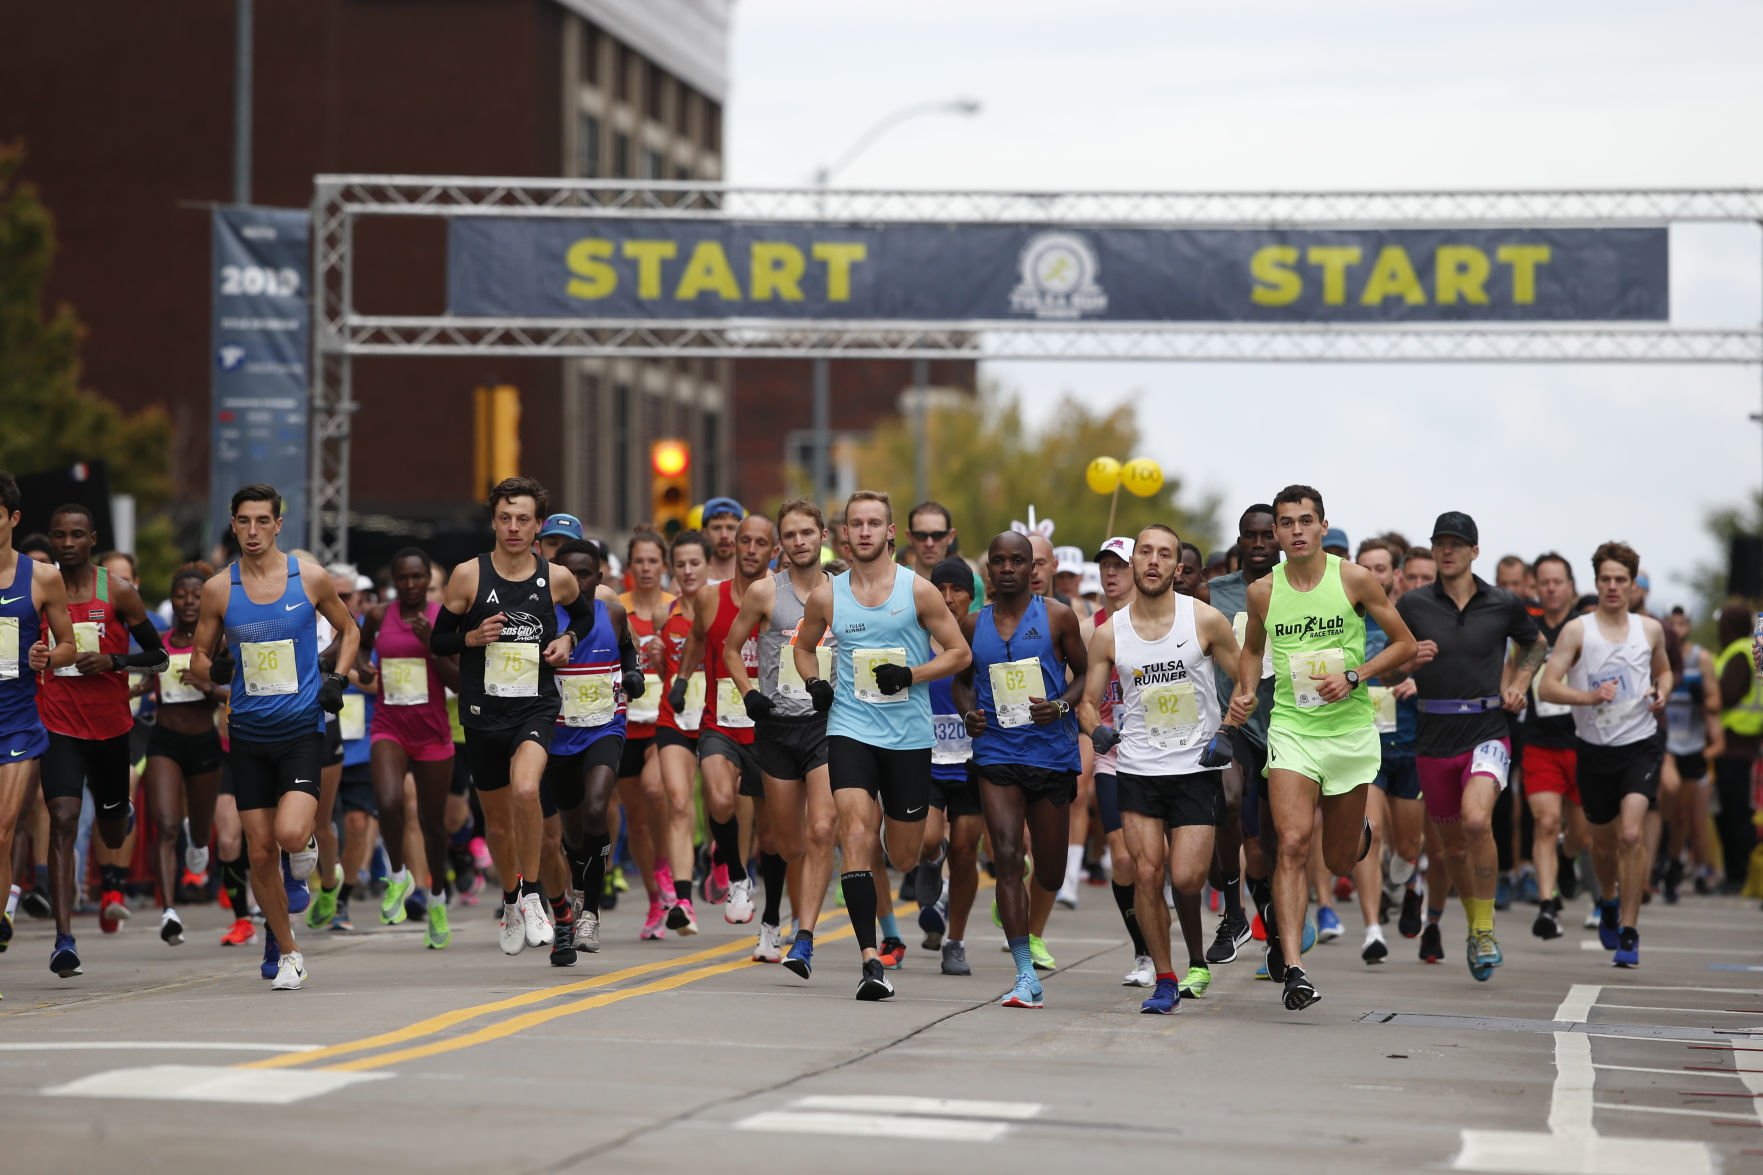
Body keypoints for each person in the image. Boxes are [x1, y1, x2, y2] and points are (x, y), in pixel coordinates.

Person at [1230, 485, 1415, 1011]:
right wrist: (1245, 692)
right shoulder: (1263, 591)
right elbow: (1251, 649)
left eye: (1305, 520)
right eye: (1286, 522)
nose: (1295, 530)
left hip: (1350, 733)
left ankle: (1355, 834)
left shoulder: (1353, 578)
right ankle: (1294, 969)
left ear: (1321, 525)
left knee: (1336, 861)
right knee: (1289, 842)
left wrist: (1356, 675)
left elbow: (1403, 643)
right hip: (1292, 728)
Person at [792, 490, 972, 1000]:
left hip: (909, 737)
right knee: (854, 831)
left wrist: (911, 674)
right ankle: (870, 959)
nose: (865, 531)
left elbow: (958, 653)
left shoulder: (918, 592)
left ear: (891, 532)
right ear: (844, 534)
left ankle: (921, 868)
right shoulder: (828, 596)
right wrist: (815, 683)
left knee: (907, 852)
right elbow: (805, 649)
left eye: (875, 523)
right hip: (850, 728)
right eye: (856, 524)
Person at [189, 484, 358, 990]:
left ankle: (304, 844)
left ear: (279, 524)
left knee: (286, 835)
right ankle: (288, 951)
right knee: (259, 851)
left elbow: (349, 631)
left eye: (263, 521)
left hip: (301, 727)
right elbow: (199, 656)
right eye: (244, 521)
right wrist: (214, 667)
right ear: (234, 524)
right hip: (247, 732)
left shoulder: (307, 577)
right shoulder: (220, 588)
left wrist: (338, 681)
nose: (254, 531)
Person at [426, 476, 596, 957]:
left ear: (538, 525)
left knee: (528, 793)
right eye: (505, 518)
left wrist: (568, 641)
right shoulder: (468, 576)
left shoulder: (555, 577)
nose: (514, 527)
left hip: (536, 708)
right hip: (483, 713)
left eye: (523, 519)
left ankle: (539, 896)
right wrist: (471, 639)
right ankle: (510, 897)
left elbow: (581, 618)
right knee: (498, 825)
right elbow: (438, 641)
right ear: (493, 522)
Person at [1082, 524, 1241, 1015]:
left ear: (1178, 566)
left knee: (1187, 878)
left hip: (1194, 767)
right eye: (1145, 552)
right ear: (1134, 564)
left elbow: (1247, 681)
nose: (1153, 561)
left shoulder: (1207, 621)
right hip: (1137, 768)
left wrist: (1229, 731)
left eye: (1164, 554)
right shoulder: (1110, 632)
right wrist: (1095, 730)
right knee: (1147, 875)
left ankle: (1193, 954)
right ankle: (1166, 978)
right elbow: (1088, 702)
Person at [1395, 512, 1546, 982]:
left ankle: (1483, 929)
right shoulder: (1414, 604)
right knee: (1453, 848)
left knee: (1478, 819)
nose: (1447, 550)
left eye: (1457, 543)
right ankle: (1473, 927)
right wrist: (1407, 660)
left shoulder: (1502, 602)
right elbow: (1383, 668)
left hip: (1486, 729)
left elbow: (1536, 645)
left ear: (1474, 551)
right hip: (1433, 740)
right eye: (1441, 542)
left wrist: (1520, 680)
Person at [954, 532, 1088, 1009]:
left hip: (1050, 755)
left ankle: (1032, 881)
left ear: (1033, 567)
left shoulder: (1057, 617)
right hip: (997, 755)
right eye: (998, 561)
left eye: (1017, 560)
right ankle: (1025, 973)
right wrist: (969, 714)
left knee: (1048, 873)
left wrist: (1060, 705)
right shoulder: (973, 625)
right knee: (1007, 858)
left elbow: (1086, 674)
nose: (1007, 568)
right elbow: (962, 683)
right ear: (988, 570)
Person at [38, 503, 169, 977]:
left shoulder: (117, 591)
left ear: (92, 539)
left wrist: (114, 662)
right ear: (51, 540)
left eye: (76, 535)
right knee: (63, 819)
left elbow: (159, 658)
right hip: (56, 724)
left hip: (111, 726)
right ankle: (63, 940)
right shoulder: (37, 587)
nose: (67, 543)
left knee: (113, 827)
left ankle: (121, 812)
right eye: (59, 535)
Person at [1536, 542, 1671, 967]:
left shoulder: (1649, 630)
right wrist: (1589, 696)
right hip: (1594, 749)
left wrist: (1661, 691)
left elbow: (1664, 670)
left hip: (1641, 744)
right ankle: (1608, 900)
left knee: (1632, 833)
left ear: (1633, 585)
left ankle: (1629, 929)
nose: (1613, 587)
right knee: (1604, 842)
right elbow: (1547, 686)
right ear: (1596, 583)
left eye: (1621, 580)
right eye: (1606, 580)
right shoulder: (1579, 630)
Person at [723, 500, 840, 975]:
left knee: (821, 830)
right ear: (782, 543)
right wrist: (749, 693)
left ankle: (805, 937)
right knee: (787, 842)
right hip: (776, 727)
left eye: (807, 533)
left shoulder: (843, 592)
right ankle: (791, 910)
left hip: (827, 726)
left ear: (823, 535)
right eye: (790, 535)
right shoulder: (764, 592)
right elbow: (732, 650)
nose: (799, 542)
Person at [678, 514, 781, 940]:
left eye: (762, 543)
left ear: (774, 551)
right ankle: (737, 876)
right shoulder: (709, 597)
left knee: (773, 835)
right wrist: (681, 682)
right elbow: (698, 641)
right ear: (734, 546)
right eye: (746, 541)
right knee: (719, 798)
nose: (752, 549)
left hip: (770, 728)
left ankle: (772, 922)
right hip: (719, 721)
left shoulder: (785, 600)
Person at [354, 548, 460, 949]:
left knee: (433, 825)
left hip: (433, 733)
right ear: (394, 581)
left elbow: (460, 682)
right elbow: (363, 646)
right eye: (403, 579)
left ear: (427, 580)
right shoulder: (381, 615)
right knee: (388, 800)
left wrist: (433, 646)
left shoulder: (442, 618)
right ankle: (397, 875)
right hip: (389, 725)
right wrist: (364, 665)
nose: (411, 585)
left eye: (418, 578)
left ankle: (436, 899)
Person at [544, 540, 643, 961]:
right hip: (559, 736)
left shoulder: (614, 614)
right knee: (572, 831)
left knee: (598, 806)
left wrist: (635, 673)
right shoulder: (544, 619)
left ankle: (592, 914)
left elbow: (627, 652)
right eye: (569, 573)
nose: (578, 581)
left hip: (605, 726)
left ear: (600, 578)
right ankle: (579, 887)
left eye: (586, 573)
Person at [0, 473, 76, 978]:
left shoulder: (41, 578)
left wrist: (47, 654)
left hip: (17, 724)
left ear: (12, 518)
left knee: (1, 829)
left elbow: (70, 645)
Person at [1201, 506, 1278, 971]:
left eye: (1267, 534)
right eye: (1250, 536)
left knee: (1274, 843)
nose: (1259, 543)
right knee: (1227, 801)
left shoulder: (1301, 589)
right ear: (1239, 541)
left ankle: (1276, 925)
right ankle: (1232, 915)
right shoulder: (1216, 594)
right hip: (1236, 722)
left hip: (1288, 726)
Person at [1348, 536, 1424, 964]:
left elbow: (1439, 663)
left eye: (1381, 569)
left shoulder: (1411, 618)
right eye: (1366, 568)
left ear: (1395, 576)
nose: (1373, 576)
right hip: (1365, 744)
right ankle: (1372, 929)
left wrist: (1420, 678)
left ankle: (1408, 880)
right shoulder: (1345, 620)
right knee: (1369, 834)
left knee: (1408, 848)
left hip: (1410, 743)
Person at [144, 563, 225, 947]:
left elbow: (237, 691)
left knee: (199, 829)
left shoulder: (217, 644)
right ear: (171, 600)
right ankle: (169, 910)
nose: (190, 602)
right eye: (182, 595)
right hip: (165, 742)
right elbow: (142, 677)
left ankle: (199, 847)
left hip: (204, 743)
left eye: (197, 595)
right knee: (165, 824)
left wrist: (208, 686)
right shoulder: (159, 643)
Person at [918, 557, 987, 976]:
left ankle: (955, 941)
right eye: (940, 589)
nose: (948, 597)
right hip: (926, 758)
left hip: (973, 763)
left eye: (957, 589)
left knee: (965, 853)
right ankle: (930, 862)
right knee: (928, 840)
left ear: (970, 594)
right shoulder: (917, 637)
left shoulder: (983, 639)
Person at [1521, 553, 1592, 938]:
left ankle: (1569, 858)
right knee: (1546, 822)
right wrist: (1510, 689)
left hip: (1581, 740)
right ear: (1536, 586)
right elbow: (1513, 668)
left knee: (1581, 833)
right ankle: (1547, 906)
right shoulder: (1528, 628)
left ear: (1570, 585)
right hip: (1540, 740)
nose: (1550, 588)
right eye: (1543, 582)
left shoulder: (1584, 627)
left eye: (1557, 581)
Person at [653, 532, 711, 933]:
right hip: (674, 717)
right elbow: (667, 673)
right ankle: (683, 901)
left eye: (695, 563)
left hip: (717, 719)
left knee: (719, 802)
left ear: (707, 565)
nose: (688, 571)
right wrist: (658, 662)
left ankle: (724, 861)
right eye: (681, 564)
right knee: (677, 802)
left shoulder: (723, 608)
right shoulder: (664, 615)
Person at [618, 531, 674, 940]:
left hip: (663, 721)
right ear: (630, 567)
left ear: (664, 566)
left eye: (654, 561)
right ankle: (655, 899)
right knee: (635, 821)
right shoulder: (615, 609)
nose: (647, 568)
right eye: (640, 561)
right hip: (624, 724)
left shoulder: (676, 609)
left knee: (657, 792)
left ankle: (666, 869)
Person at [1710, 601, 1761, 892]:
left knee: (1734, 813)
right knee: (1732, 811)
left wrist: (1704, 692)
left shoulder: (1741, 652)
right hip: (1743, 743)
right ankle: (1736, 873)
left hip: (1734, 743)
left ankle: (1737, 875)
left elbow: (1727, 694)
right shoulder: (1751, 649)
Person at [702, 497, 744, 583]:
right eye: (716, 528)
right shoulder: (691, 576)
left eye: (730, 528)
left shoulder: (754, 574)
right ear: (705, 532)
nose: (724, 535)